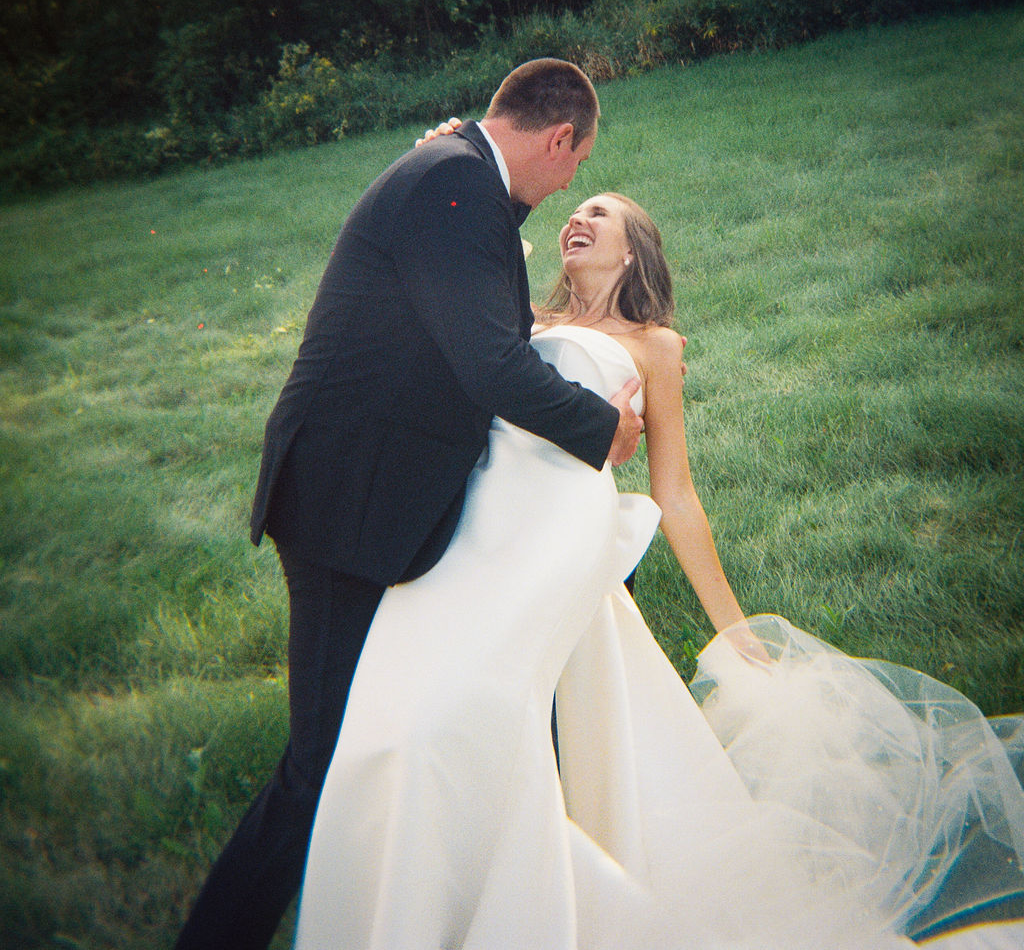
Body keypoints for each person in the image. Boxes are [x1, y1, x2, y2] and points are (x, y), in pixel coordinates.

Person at [293, 191, 1024, 949]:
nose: (577, 219)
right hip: (476, 543)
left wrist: (732, 624)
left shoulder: (654, 346)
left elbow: (673, 491)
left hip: (561, 550)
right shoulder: (519, 325)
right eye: (573, 210)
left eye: (600, 213)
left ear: (635, 249)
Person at [174, 60, 647, 950]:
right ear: (559, 140)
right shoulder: (456, 187)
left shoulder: (456, 175)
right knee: (320, 766)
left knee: (449, 716)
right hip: (343, 508)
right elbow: (491, 366)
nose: (569, 187)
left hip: (382, 502)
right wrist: (605, 429)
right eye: (575, 165)